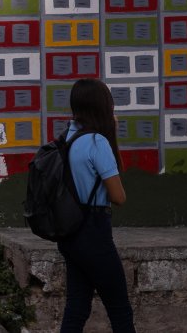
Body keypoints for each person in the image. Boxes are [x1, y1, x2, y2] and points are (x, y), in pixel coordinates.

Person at [58, 78, 135, 332]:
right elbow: (119, 196)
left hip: (70, 232)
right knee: (120, 310)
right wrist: (110, 136)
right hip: (94, 231)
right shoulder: (97, 142)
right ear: (102, 106)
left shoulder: (68, 137)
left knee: (77, 308)